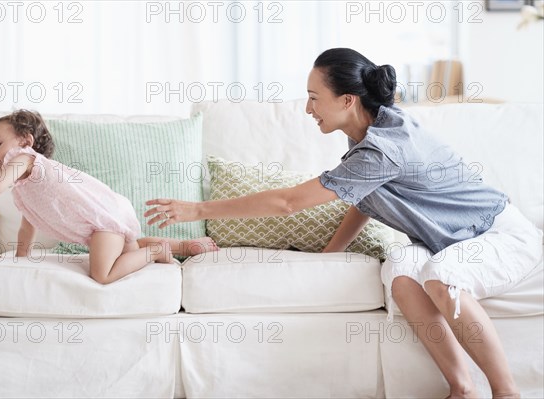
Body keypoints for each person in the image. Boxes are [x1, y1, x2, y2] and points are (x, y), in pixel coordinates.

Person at [145, 48, 542, 398]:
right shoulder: (369, 131)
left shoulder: (384, 147)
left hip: (496, 233)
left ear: (347, 99)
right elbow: (366, 197)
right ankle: (462, 388)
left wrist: (197, 210)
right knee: (401, 273)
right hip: (451, 239)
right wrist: (331, 253)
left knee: (440, 277)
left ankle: (506, 392)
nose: (307, 108)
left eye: (314, 98)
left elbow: (288, 202)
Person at [0, 110, 218, 284]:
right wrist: (21, 258)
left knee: (103, 274)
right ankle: (185, 245)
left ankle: (157, 252)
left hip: (102, 220)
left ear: (25, 141)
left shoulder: (24, 159)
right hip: (104, 221)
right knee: (129, 249)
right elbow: (28, 224)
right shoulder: (24, 189)